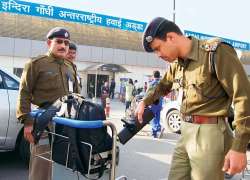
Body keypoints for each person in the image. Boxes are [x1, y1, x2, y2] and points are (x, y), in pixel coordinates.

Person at [136, 17, 250, 180]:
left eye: (158, 48)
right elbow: (162, 85)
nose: (158, 55)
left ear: (171, 37)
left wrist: (239, 147)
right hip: (186, 132)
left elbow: (243, 96)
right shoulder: (177, 64)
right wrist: (144, 101)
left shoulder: (215, 52)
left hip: (209, 134)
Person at [16, 27, 79, 180]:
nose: (63, 46)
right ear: (49, 42)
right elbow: (24, 93)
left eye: (66, 42)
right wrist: (27, 122)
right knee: (41, 167)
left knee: (62, 168)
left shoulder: (70, 66)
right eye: (58, 42)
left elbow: (76, 94)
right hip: (45, 122)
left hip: (67, 123)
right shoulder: (36, 64)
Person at [148, 70, 162, 138]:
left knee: (152, 118)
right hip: (160, 103)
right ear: (159, 76)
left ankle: (155, 131)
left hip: (153, 104)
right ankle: (158, 128)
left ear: (153, 76)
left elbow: (148, 94)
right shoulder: (162, 83)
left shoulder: (152, 83)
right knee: (158, 117)